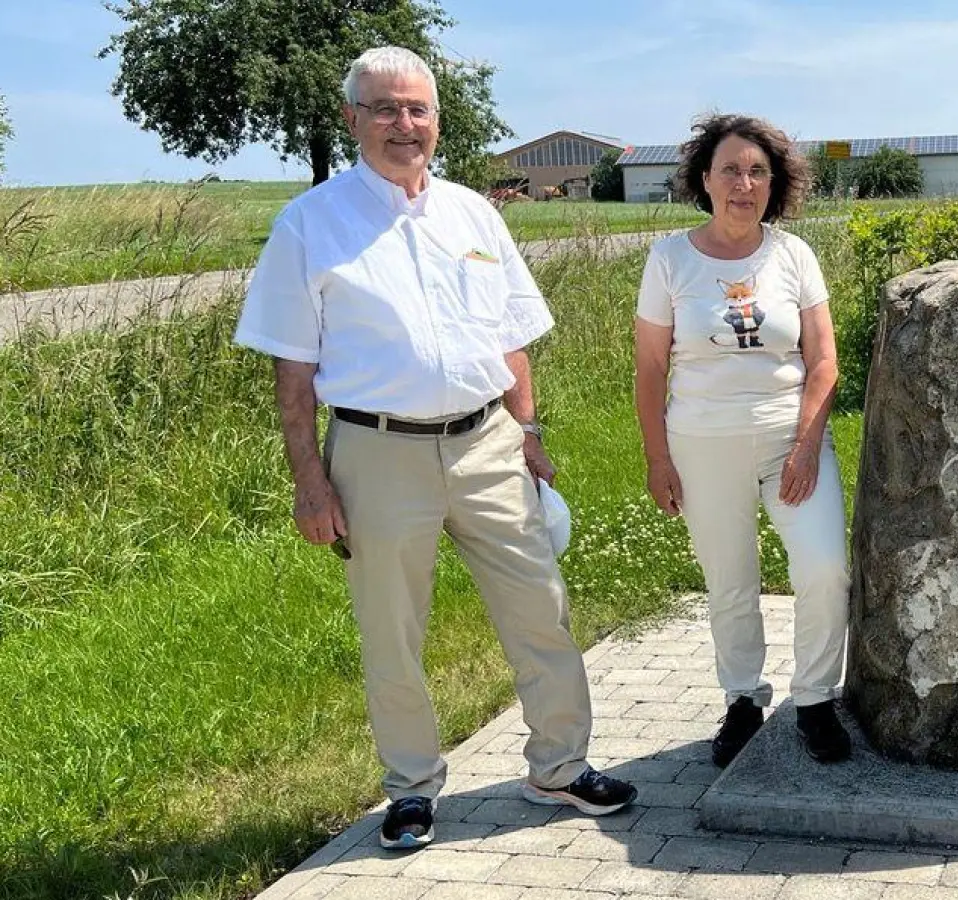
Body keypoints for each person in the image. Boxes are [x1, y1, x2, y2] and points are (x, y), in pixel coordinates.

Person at [234, 46, 634, 851]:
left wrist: (529, 432)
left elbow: (512, 335)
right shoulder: (311, 224)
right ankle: (411, 790)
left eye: (417, 110)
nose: (402, 125)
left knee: (542, 611)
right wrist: (310, 482)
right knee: (393, 631)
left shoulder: (473, 213)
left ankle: (559, 767)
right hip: (377, 456)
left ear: (437, 121)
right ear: (352, 120)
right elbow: (292, 370)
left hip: (488, 441)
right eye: (383, 109)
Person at [633, 114, 851, 768]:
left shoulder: (793, 256)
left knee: (824, 568)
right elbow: (649, 367)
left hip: (791, 437)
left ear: (773, 184)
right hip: (700, 442)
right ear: (704, 179)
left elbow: (824, 360)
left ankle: (815, 701)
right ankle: (742, 701)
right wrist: (657, 458)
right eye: (730, 169)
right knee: (729, 580)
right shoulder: (670, 258)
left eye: (757, 171)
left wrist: (808, 445)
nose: (744, 183)